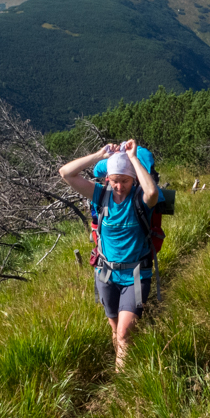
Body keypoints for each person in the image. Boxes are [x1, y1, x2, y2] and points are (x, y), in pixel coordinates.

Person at [59, 140, 159, 372]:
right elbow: (66, 173)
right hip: (105, 273)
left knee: (124, 333)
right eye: (114, 180)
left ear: (133, 179)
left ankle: (121, 384)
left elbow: (152, 191)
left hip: (135, 275)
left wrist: (133, 158)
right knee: (114, 329)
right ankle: (121, 364)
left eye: (125, 180)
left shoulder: (141, 199)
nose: (119, 186)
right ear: (107, 179)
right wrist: (98, 155)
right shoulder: (100, 195)